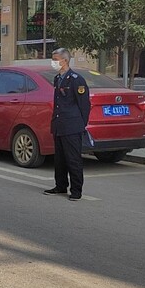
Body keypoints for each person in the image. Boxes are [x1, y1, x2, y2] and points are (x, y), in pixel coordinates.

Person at [44, 47, 91, 201]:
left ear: (65, 60)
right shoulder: (58, 78)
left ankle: (76, 190)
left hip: (72, 126)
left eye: (55, 60)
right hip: (59, 125)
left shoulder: (76, 79)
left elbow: (84, 104)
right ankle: (60, 185)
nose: (53, 62)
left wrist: (80, 124)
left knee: (73, 159)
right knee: (59, 159)